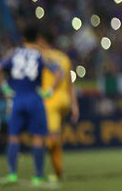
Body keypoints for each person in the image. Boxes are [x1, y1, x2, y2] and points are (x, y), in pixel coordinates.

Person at [0, 24, 61, 186]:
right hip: (35, 98)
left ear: (23, 39)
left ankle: (12, 174)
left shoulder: (13, 53)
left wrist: (5, 88)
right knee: (38, 137)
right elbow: (59, 73)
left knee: (13, 136)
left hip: (17, 99)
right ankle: (38, 176)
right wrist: (50, 91)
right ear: (37, 39)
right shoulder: (41, 55)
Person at [39, 29, 80, 182]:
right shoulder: (64, 57)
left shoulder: (43, 57)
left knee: (52, 138)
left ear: (43, 41)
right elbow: (70, 84)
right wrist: (74, 105)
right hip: (65, 101)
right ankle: (58, 171)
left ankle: (55, 172)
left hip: (51, 100)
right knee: (57, 137)